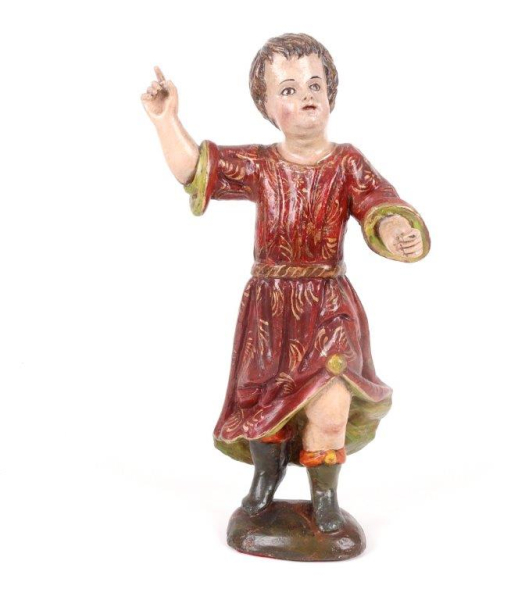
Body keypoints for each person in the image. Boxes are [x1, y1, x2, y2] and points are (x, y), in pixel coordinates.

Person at [141, 33, 430, 533]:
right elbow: (195, 168)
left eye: (315, 85)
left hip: (328, 305)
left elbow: (379, 203)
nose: (306, 96)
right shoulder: (261, 163)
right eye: (289, 90)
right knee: (265, 403)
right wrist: (167, 120)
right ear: (268, 107)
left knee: (332, 404)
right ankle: (265, 477)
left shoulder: (347, 162)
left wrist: (394, 230)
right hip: (271, 309)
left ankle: (325, 498)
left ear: (332, 95)